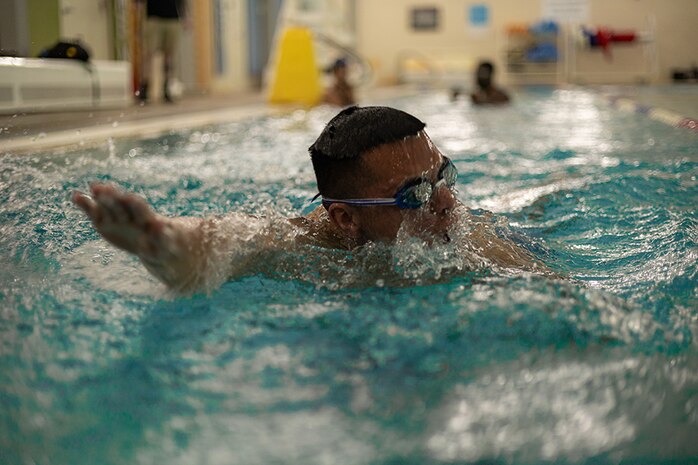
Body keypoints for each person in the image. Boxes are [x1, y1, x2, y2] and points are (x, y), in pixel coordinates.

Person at [73, 106, 547, 292]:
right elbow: (213, 243)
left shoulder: (474, 238)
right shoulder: (302, 247)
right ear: (343, 219)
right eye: (416, 194)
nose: (445, 203)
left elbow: (555, 293)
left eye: (443, 176)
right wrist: (156, 242)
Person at [137, 0, 187, 104]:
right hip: (153, 18)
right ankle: (144, 87)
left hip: (173, 18)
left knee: (169, 56)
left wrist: (185, 16)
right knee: (149, 54)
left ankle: (166, 87)